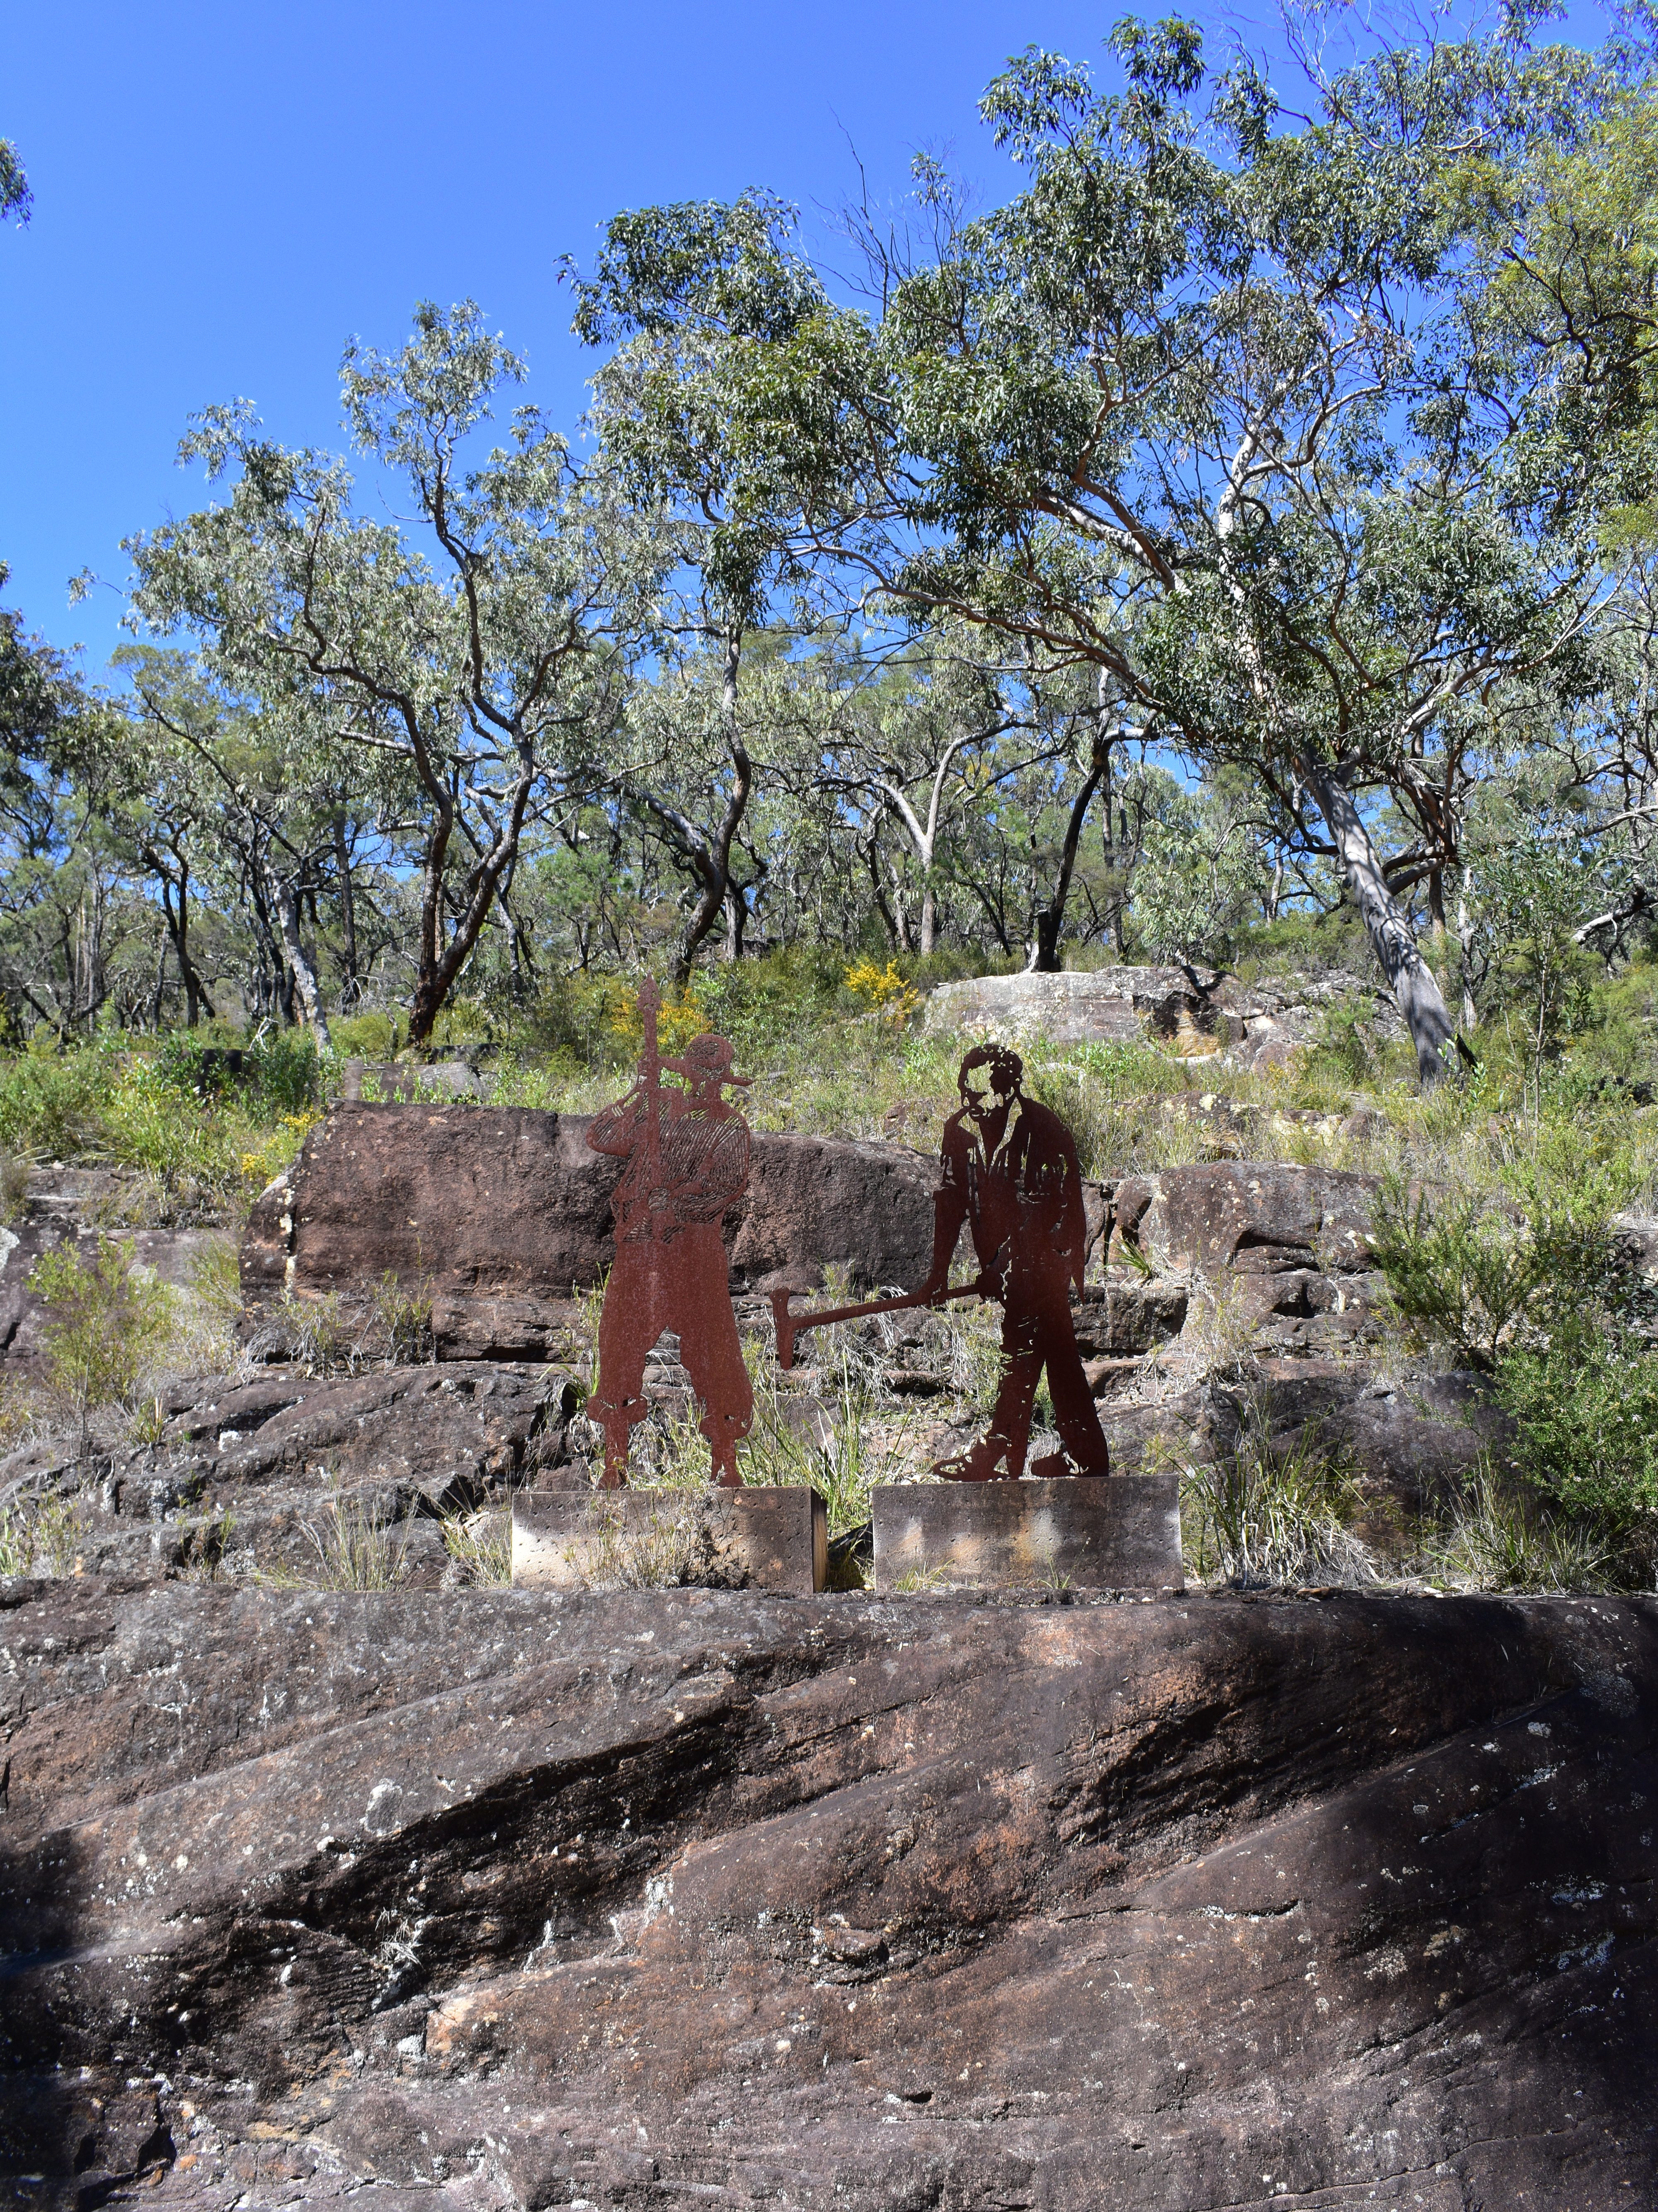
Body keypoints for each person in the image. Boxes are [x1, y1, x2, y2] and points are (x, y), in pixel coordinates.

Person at [916, 1042, 1110, 1481]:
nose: (972, 1105)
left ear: (1008, 1087)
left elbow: (1042, 1210)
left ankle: (1001, 1448)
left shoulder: (1041, 1128)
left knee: (1023, 1344)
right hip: (1004, 1262)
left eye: (981, 1096)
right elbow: (950, 1203)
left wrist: (1001, 1266)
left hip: (1047, 1256)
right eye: (967, 1094)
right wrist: (937, 1275)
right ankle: (1080, 1452)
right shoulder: (959, 1131)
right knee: (1054, 1352)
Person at [587, 1030, 753, 1487]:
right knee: (620, 1346)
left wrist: (677, 1206)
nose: (701, 1084)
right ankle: (614, 1462)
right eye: (695, 1074)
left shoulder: (729, 1126)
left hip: (694, 1252)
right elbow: (601, 1135)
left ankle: (725, 1460)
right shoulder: (657, 1108)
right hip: (640, 1249)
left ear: (720, 1080)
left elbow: (726, 1185)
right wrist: (638, 1091)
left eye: (709, 1077)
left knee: (713, 1351)